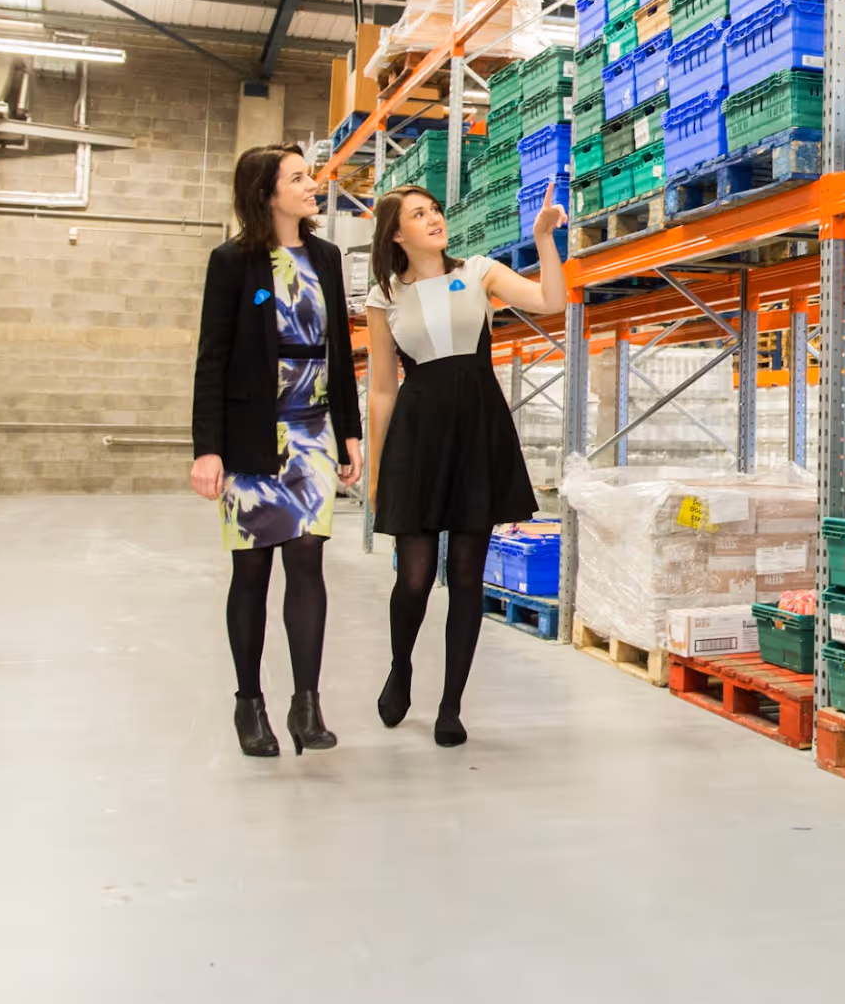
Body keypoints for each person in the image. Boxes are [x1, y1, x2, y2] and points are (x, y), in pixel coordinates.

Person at [365, 179, 567, 747]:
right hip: (418, 432)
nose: (434, 219)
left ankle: (451, 704)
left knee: (466, 578)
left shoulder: (478, 270)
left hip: (477, 426)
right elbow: (382, 390)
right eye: (418, 214)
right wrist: (378, 470)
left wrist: (543, 240)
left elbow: (550, 300)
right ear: (396, 234)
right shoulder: (385, 296)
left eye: (435, 210)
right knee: (414, 577)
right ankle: (400, 667)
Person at [190, 143, 363, 758]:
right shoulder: (233, 262)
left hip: (313, 428)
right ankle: (248, 704)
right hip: (252, 437)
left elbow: (340, 348)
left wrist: (350, 430)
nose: (311, 184)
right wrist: (207, 449)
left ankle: (306, 704)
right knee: (253, 569)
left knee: (308, 560)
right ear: (266, 193)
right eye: (297, 177)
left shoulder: (327, 256)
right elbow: (212, 359)